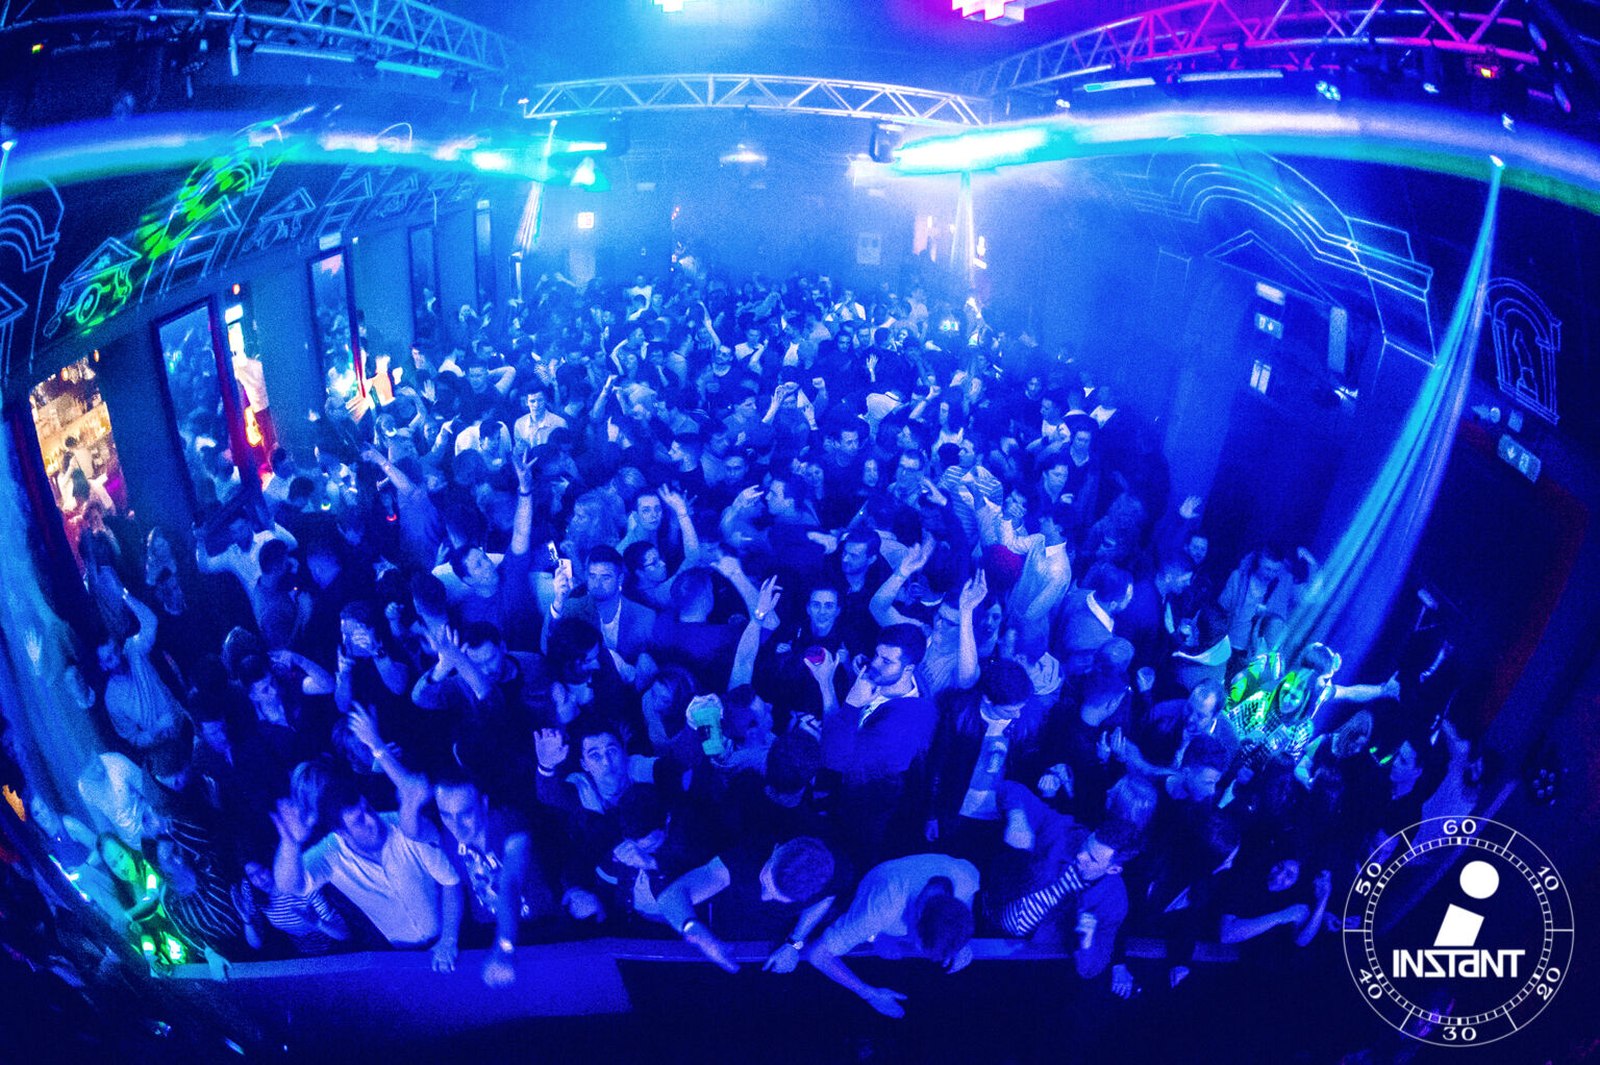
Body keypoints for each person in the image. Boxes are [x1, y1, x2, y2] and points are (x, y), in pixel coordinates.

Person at [807, 853, 979, 1018]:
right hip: (871, 883)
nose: (916, 950)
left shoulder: (965, 879)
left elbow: (971, 877)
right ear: (917, 916)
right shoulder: (880, 910)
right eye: (917, 944)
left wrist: (960, 944)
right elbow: (817, 954)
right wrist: (870, 994)